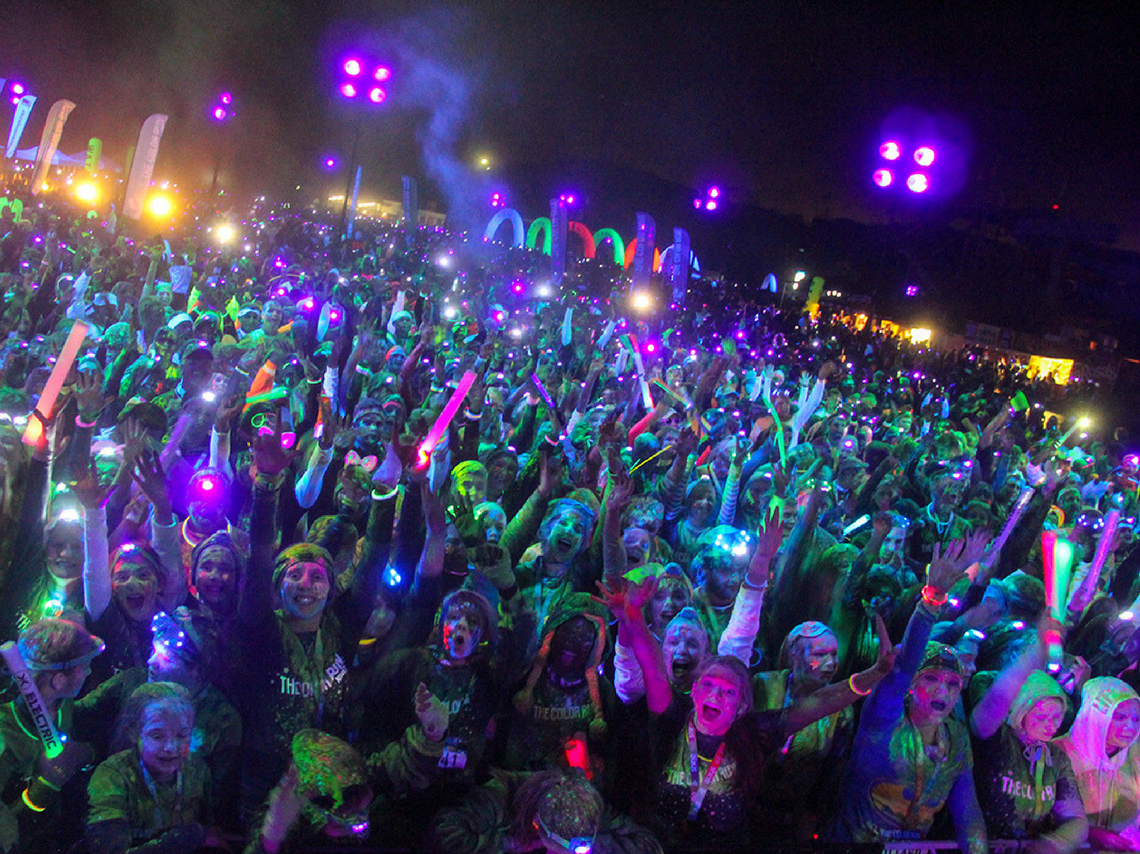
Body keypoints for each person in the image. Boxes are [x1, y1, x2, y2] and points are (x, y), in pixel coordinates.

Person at [832, 538, 987, 854]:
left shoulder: (956, 740)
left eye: (952, 683)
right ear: (911, 687)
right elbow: (902, 668)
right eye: (930, 678)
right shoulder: (884, 718)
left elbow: (968, 814)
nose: (942, 690)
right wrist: (932, 600)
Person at [969, 615, 1087, 852]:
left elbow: (1076, 819)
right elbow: (996, 702)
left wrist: (1057, 844)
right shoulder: (996, 739)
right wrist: (1038, 652)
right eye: (1042, 715)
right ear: (1021, 710)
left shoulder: (1056, 756)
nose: (1050, 724)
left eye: (1057, 716)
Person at [0, 619, 104, 853]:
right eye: (83, 667)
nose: (89, 672)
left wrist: (86, 752)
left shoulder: (63, 706)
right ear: (58, 680)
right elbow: (7, 835)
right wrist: (46, 784)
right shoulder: (6, 736)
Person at [85, 682, 222, 854]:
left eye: (182, 735)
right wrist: (184, 838)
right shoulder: (112, 775)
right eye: (157, 735)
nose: (171, 747)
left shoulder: (197, 770)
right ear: (134, 733)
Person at [1056, 677, 1140, 851]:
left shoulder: (1135, 759)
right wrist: (1091, 833)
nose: (1130, 727)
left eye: (1136, 719)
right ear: (1097, 716)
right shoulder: (1058, 752)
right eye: (1120, 717)